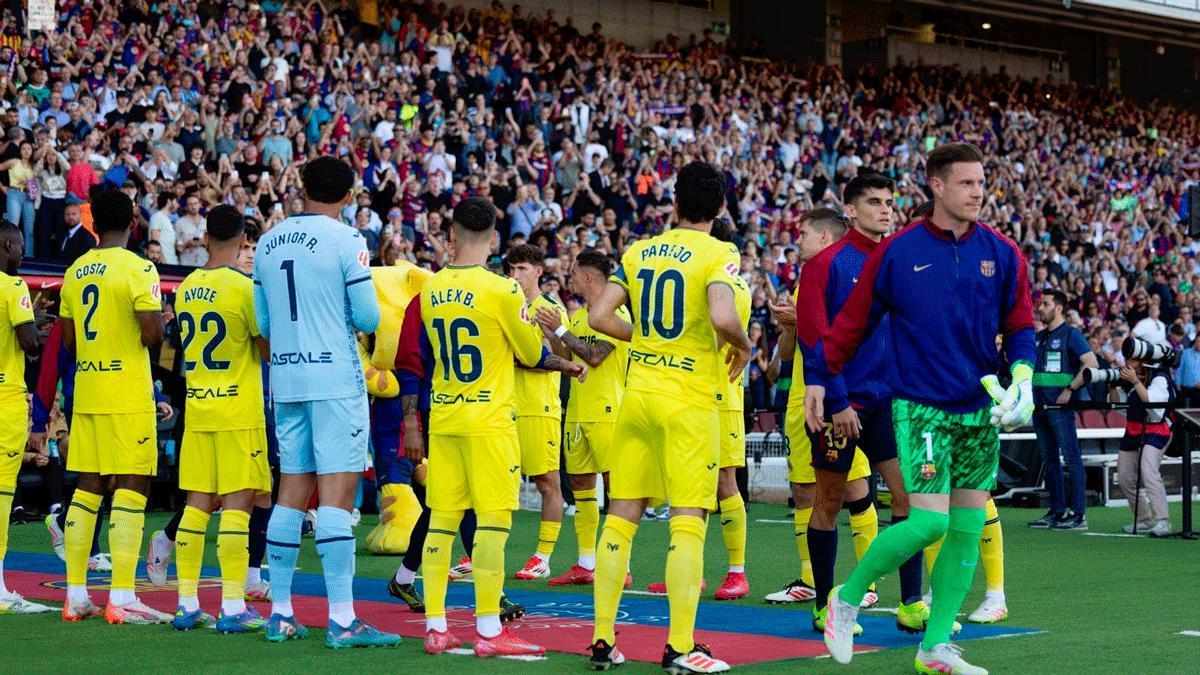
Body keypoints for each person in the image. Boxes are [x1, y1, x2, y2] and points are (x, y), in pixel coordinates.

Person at [811, 143, 1035, 675]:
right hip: (920, 407)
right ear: (935, 186)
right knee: (929, 525)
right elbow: (850, 326)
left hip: (980, 410)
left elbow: (1021, 326)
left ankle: (933, 649)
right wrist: (824, 379)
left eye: (982, 182)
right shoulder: (897, 252)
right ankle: (847, 598)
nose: (978, 192)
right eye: (966, 183)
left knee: (966, 526)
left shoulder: (1003, 253)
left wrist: (1022, 377)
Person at [588, 161, 751, 673]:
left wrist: (648, 342)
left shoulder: (638, 251)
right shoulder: (720, 251)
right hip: (689, 402)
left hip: (638, 395)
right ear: (722, 207)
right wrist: (743, 346)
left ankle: (601, 641)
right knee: (688, 521)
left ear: (674, 202)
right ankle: (680, 647)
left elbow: (597, 316)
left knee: (621, 514)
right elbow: (724, 316)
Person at [418, 196, 583, 658]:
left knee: (443, 522)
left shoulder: (431, 288)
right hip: (489, 418)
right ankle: (489, 631)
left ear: (452, 234)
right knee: (492, 523)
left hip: (445, 414)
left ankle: (435, 627)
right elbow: (532, 354)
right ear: (493, 239)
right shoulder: (503, 290)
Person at [253, 157, 398, 648]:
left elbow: (266, 326)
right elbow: (367, 313)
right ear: (348, 194)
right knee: (336, 495)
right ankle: (342, 620)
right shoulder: (349, 240)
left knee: (291, 489)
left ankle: (281, 613)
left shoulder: (268, 242)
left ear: (303, 187)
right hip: (335, 377)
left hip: (287, 377)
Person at [797, 174, 926, 633]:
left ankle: (912, 604)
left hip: (892, 401)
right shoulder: (827, 263)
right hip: (842, 405)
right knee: (829, 501)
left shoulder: (902, 261)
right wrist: (838, 399)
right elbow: (814, 337)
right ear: (850, 210)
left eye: (890, 202)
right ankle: (824, 607)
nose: (885, 210)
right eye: (874, 202)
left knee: (907, 497)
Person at [59, 190, 170, 624]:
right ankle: (121, 597)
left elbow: (68, 342)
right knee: (131, 486)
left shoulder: (74, 270)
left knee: (87, 487)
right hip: (126, 393)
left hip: (87, 391)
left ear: (92, 224)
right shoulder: (140, 268)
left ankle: (75, 595)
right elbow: (152, 336)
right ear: (133, 223)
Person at [167, 205, 272, 634]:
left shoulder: (185, 287)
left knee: (196, 505)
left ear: (205, 238)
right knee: (237, 505)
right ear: (243, 242)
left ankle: (187, 603)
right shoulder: (244, 288)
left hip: (199, 408)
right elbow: (265, 349)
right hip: (237, 412)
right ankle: (232, 606)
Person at [763, 208, 874, 607]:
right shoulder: (804, 281)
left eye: (804, 234)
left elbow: (848, 337)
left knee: (854, 487)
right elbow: (792, 353)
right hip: (801, 399)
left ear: (825, 238)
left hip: (840, 395)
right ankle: (811, 581)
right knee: (804, 488)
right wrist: (791, 327)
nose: (797, 243)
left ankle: (869, 583)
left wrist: (804, 321)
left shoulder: (847, 272)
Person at [643, 217, 754, 601]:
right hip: (692, 393)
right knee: (688, 485)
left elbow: (717, 325)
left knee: (723, 482)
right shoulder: (710, 280)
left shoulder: (731, 285)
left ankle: (737, 572)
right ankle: (692, 572)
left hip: (721, 395)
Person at [534, 249, 630, 588]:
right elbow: (568, 356)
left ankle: (623, 564)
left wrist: (560, 331)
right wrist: (549, 332)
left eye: (574, 272)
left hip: (608, 412)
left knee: (617, 488)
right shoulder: (576, 317)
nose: (569, 278)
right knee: (581, 486)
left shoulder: (615, 314)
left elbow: (595, 356)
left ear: (589, 276)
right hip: (577, 412)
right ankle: (586, 563)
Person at [506, 243, 571, 581]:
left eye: (522, 269)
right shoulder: (503, 302)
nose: (515, 276)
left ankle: (542, 556)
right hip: (504, 404)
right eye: (512, 269)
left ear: (538, 272)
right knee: (493, 483)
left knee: (547, 482)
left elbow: (555, 357)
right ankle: (475, 554)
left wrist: (552, 340)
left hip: (539, 406)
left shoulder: (549, 308)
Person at [0, 218, 52, 614]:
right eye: (18, 246)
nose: (21, 253)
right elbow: (29, 344)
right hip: (6, 399)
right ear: (5, 245)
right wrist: (39, 327)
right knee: (2, 494)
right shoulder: (13, 285)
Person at [1029, 290, 1098, 531]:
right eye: (1040, 303)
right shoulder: (1039, 337)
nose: (1040, 307)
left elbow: (1092, 363)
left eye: (1045, 304)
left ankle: (1079, 515)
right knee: (1050, 460)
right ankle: (1057, 511)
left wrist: (1070, 388)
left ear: (1059, 308)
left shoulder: (1071, 334)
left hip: (1061, 408)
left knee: (1071, 457)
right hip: (1039, 407)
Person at [1116, 356, 1175, 537]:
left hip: (1157, 429)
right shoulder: (1129, 378)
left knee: (1149, 471)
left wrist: (1135, 381)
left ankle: (1163, 521)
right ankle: (1144, 519)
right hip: (1133, 430)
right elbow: (1117, 405)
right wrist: (1113, 385)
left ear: (1143, 360)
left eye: (1132, 358)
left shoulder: (1159, 377)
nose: (1127, 361)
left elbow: (1155, 411)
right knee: (1125, 477)